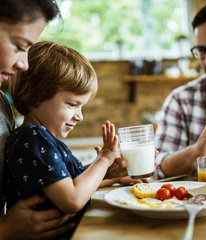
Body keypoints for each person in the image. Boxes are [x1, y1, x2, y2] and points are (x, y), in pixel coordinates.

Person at [4, 40, 141, 239]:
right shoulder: (33, 138)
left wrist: (112, 175)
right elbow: (73, 199)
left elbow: (69, 182)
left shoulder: (40, 138)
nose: (80, 116)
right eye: (72, 104)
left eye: (82, 106)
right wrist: (104, 159)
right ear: (36, 96)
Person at [154, 0, 206, 179]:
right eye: (201, 50)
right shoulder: (181, 101)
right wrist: (196, 152)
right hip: (203, 206)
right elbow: (156, 167)